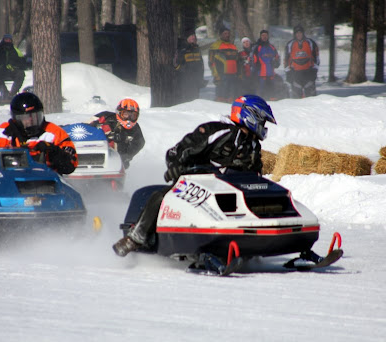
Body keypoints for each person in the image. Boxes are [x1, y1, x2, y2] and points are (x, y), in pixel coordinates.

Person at [112, 94, 276, 257]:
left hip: (231, 190)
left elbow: (256, 173)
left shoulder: (253, 145)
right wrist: (176, 167)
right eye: (262, 121)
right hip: (198, 181)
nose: (263, 125)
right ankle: (135, 238)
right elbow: (178, 151)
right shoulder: (218, 131)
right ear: (249, 115)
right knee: (161, 196)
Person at [0, 92, 77, 175]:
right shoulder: (5, 132)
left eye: (35, 117)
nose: (31, 121)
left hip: (45, 179)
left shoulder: (55, 133)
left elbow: (71, 163)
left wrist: (53, 151)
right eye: (26, 117)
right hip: (8, 180)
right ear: (16, 118)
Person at [87, 98, 145, 169]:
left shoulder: (135, 129)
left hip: (116, 162)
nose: (129, 118)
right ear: (119, 112)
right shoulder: (105, 117)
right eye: (126, 114)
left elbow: (139, 143)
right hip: (93, 154)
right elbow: (84, 127)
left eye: (133, 115)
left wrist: (126, 157)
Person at [284, 25, 320, 99]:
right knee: (296, 99)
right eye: (297, 33)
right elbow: (286, 60)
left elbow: (316, 58)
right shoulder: (290, 44)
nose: (299, 34)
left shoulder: (310, 43)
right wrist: (288, 72)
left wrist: (315, 70)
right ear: (294, 34)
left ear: (303, 33)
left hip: (309, 72)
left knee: (311, 98)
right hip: (295, 73)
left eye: (300, 33)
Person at [0, 34, 26, 100]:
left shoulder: (15, 50)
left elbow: (23, 61)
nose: (7, 41)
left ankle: (12, 94)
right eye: (6, 39)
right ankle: (5, 93)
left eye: (9, 40)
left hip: (12, 71)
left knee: (21, 74)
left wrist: (17, 67)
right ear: (3, 40)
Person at [208, 27, 239, 103]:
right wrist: (215, 74)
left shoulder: (233, 46)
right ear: (220, 35)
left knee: (231, 96)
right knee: (221, 97)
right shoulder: (215, 46)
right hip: (222, 74)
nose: (227, 35)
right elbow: (211, 62)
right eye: (225, 33)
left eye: (228, 33)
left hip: (233, 74)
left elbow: (237, 60)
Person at [173, 30, 206, 103]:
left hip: (195, 80)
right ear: (186, 38)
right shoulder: (181, 48)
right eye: (191, 36)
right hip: (185, 80)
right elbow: (176, 64)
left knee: (195, 99)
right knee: (186, 100)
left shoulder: (197, 49)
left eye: (194, 36)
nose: (193, 37)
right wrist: (185, 72)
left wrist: (200, 77)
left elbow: (201, 64)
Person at [251, 30, 281, 101]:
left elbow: (277, 57)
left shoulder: (272, 47)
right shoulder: (257, 47)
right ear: (260, 36)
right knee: (260, 91)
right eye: (263, 35)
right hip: (261, 73)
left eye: (266, 35)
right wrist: (255, 69)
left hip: (271, 73)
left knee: (272, 91)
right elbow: (253, 59)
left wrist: (276, 63)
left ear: (268, 36)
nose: (264, 37)